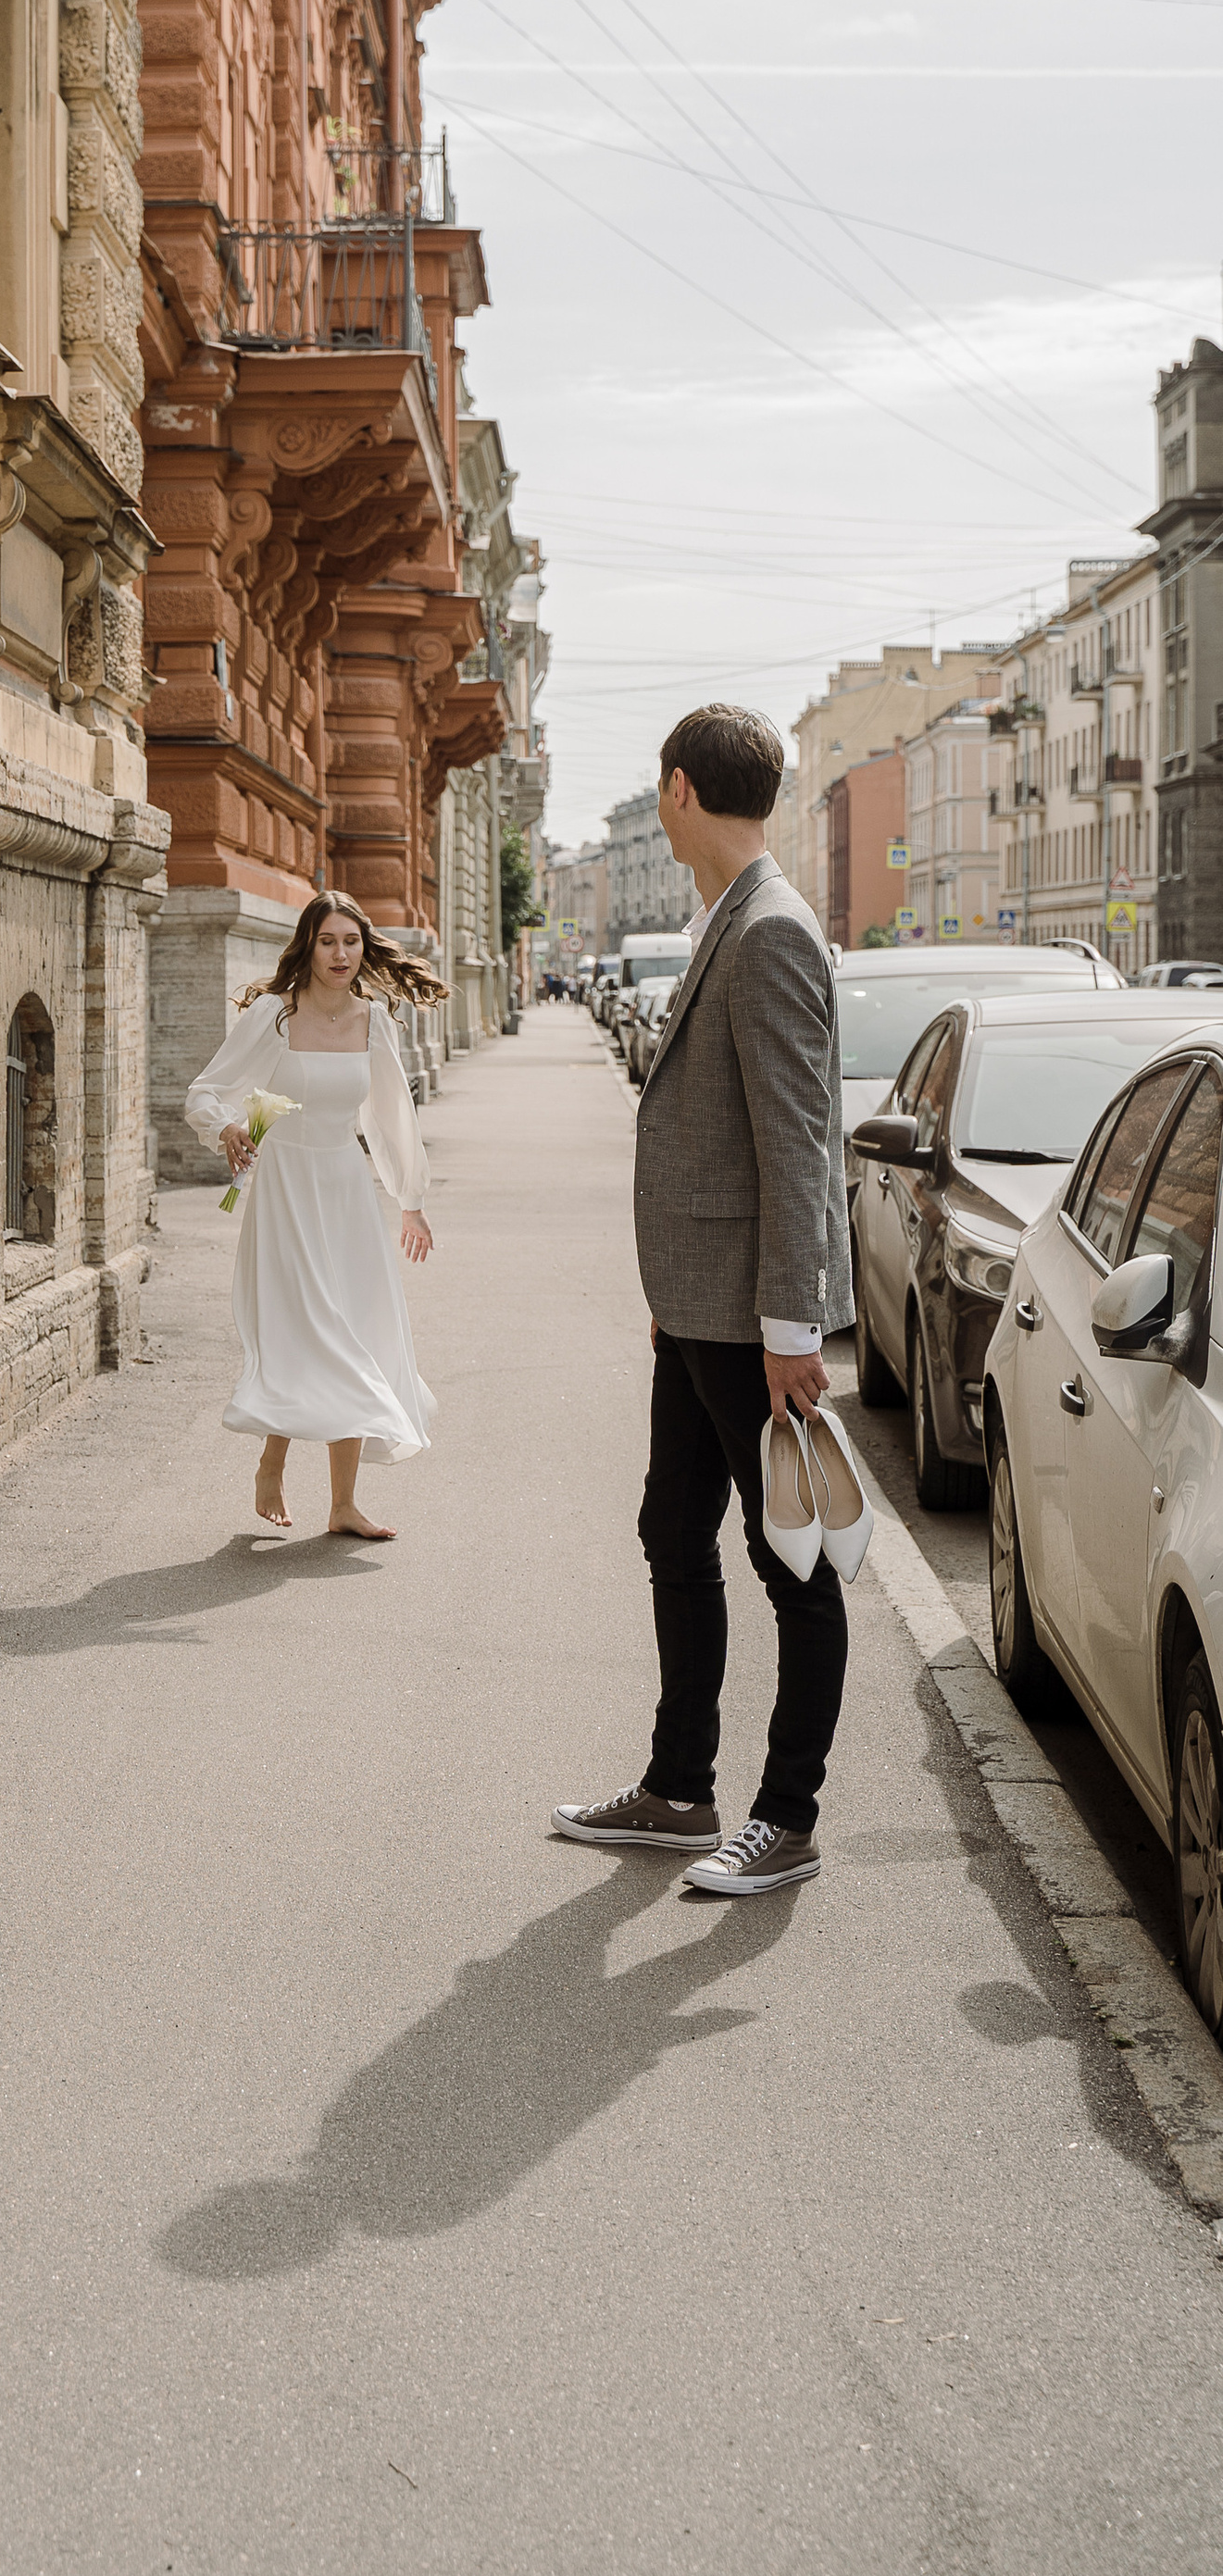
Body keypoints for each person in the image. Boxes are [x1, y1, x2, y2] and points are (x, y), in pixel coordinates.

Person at [553, 703, 852, 1898]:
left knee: (796, 1567)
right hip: (698, 1308)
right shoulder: (730, 914)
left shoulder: (770, 931)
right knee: (672, 1531)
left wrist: (793, 1325)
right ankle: (681, 1792)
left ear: (679, 791)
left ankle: (787, 1817)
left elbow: (800, 1143)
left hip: (750, 1319)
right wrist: (681, 1302)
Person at [184, 892, 443, 1542]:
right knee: (308, 1328)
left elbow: (391, 1117)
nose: (341, 954)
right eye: (327, 941)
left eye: (351, 942)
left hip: (345, 1188)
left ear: (363, 948)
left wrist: (409, 1199)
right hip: (286, 1189)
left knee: (353, 1329)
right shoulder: (274, 1016)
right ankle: (272, 1461)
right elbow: (205, 1092)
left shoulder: (374, 1021)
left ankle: (343, 1504)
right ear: (307, 945)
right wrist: (226, 1132)